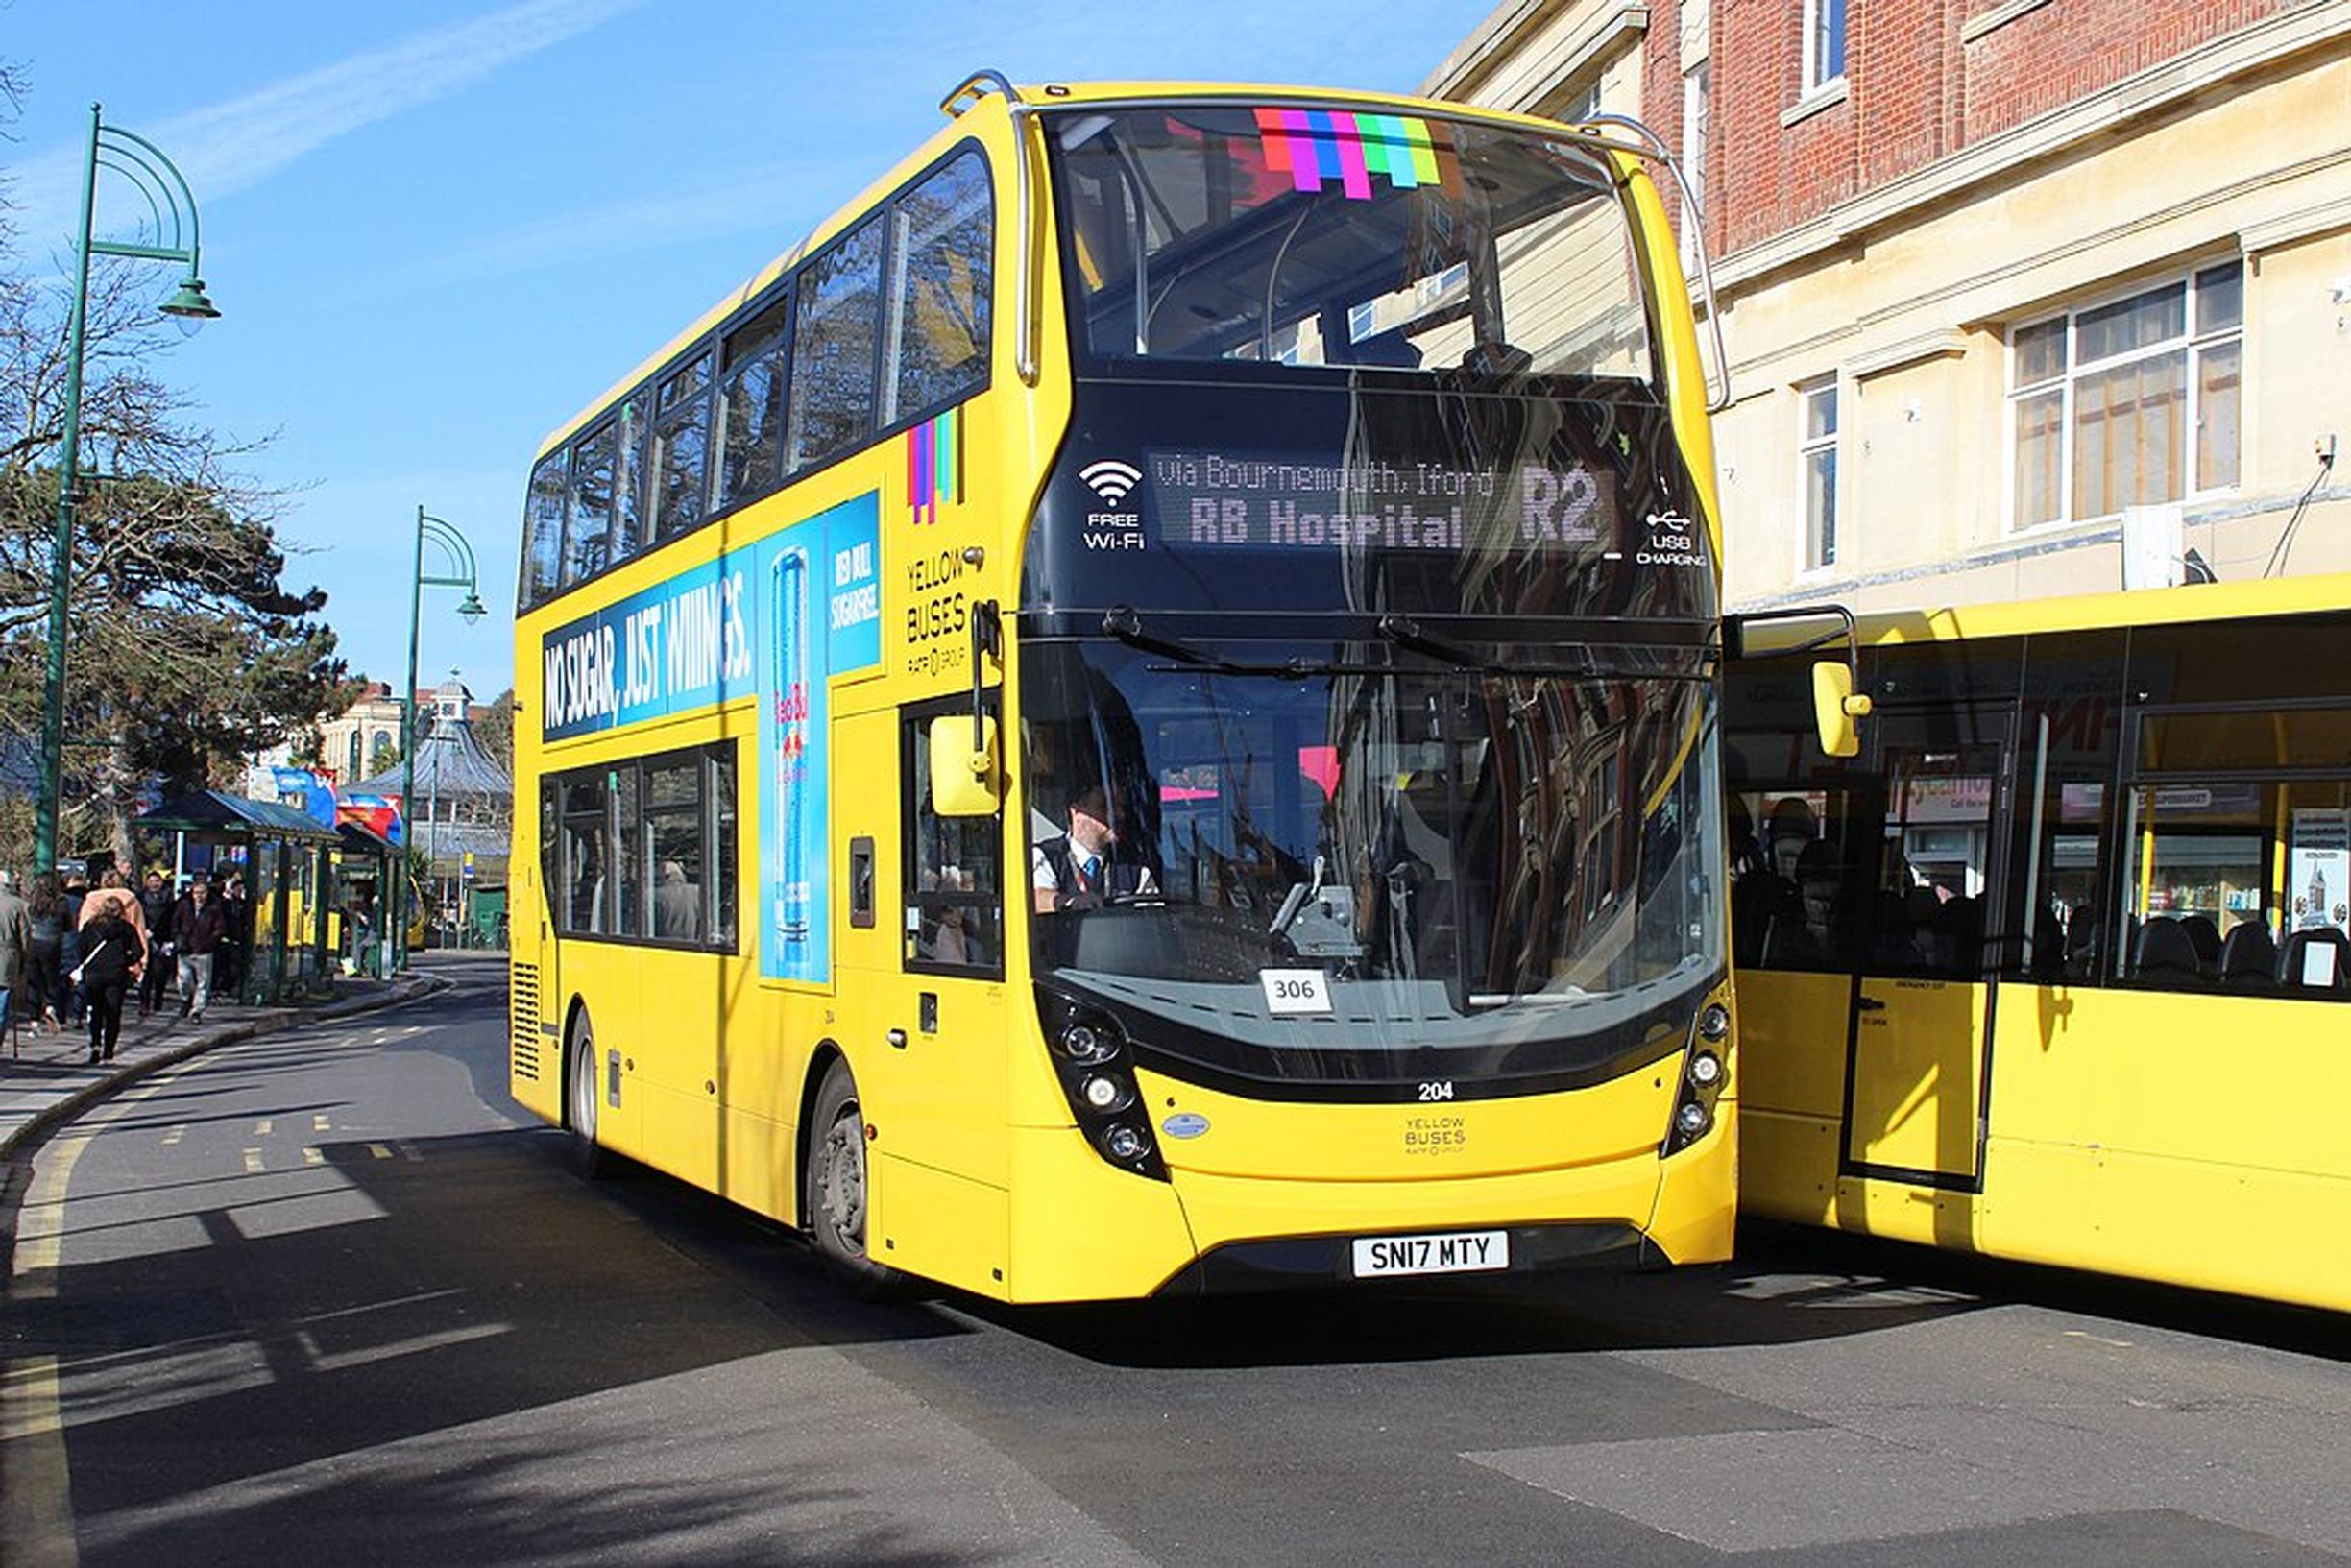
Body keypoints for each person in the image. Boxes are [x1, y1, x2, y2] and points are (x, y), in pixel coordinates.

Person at [1032, 784, 1157, 912]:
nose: (1119, 814)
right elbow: (1035, 899)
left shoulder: (1135, 866)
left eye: (1120, 806)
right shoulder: (1046, 856)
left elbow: (1153, 914)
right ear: (1076, 812)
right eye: (1105, 806)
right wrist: (1069, 902)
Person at [75, 893, 143, 1064]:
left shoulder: (91, 926)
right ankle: (109, 1050)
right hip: (115, 974)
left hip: (93, 974)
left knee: (95, 1011)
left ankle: (95, 1045)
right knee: (113, 1012)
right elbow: (138, 952)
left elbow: (80, 949)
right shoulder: (126, 928)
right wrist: (125, 960)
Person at [168, 874, 230, 1023]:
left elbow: (220, 927)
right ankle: (186, 998)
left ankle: (197, 1010)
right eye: (196, 892)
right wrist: (178, 938)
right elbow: (175, 923)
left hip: (204, 949)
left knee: (203, 982)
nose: (199, 896)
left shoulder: (214, 908)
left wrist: (210, 941)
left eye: (202, 893)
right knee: (184, 978)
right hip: (186, 948)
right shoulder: (184, 906)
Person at [22, 873, 66, 1034]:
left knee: (33, 982)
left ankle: (34, 1020)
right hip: (53, 944)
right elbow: (69, 925)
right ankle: (50, 1006)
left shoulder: (31, 903)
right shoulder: (61, 903)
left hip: (34, 943)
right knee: (51, 980)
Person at [136, 869, 176, 1018]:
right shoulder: (140, 897)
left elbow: (170, 919)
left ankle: (158, 998)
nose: (154, 884)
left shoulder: (168, 897)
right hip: (145, 936)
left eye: (157, 881)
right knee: (146, 972)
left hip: (162, 938)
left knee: (160, 972)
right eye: (151, 881)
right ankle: (144, 1003)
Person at [57, 869, 88, 1026]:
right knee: (81, 978)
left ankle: (61, 1013)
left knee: (61, 977)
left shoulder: (62, 900)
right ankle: (77, 1014)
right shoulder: (89, 900)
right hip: (83, 940)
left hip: (65, 939)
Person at [0, 869, 28, 1036]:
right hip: (7, 957)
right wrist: (24, 960)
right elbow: (24, 937)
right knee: (2, 1002)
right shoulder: (18, 905)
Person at [216, 870, 251, 999]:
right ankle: (221, 987)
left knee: (235, 967)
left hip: (238, 939)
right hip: (225, 939)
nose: (239, 891)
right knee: (223, 965)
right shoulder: (224, 904)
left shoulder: (244, 904)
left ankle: (229, 987)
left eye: (242, 889)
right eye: (237, 889)